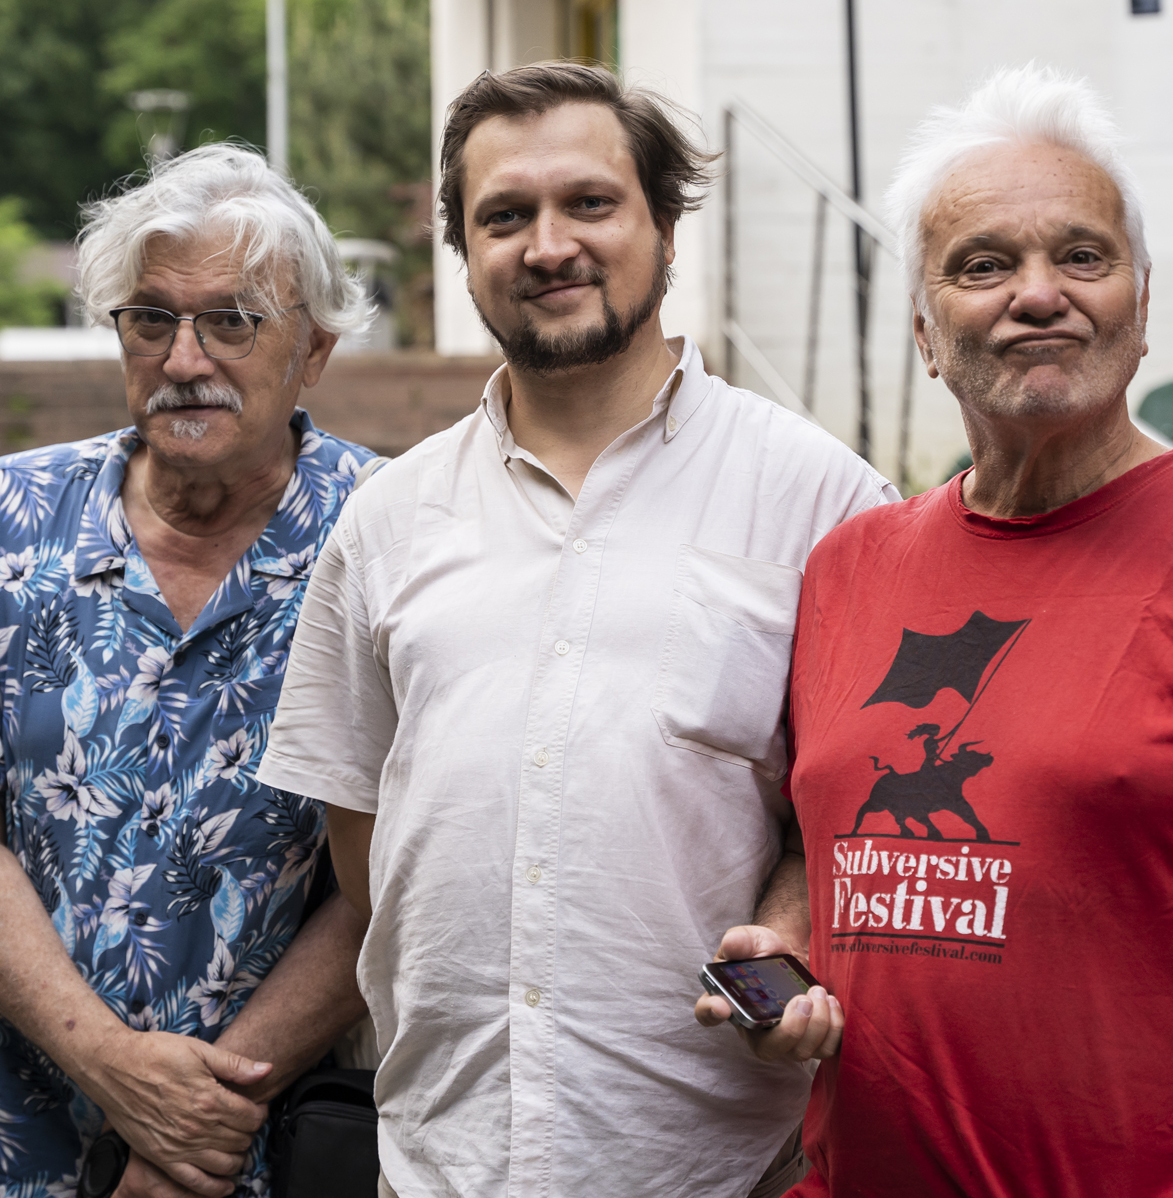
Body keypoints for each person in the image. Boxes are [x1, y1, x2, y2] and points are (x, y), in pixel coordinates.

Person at [696, 65, 1173, 1197]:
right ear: (923, 330)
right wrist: (783, 952)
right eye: (982, 265)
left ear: (1139, 307)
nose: (1038, 293)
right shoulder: (847, 567)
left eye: (1081, 255)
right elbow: (827, 840)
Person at [256, 61, 896, 1198]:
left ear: (665, 228)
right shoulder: (387, 518)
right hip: (441, 1160)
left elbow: (865, 804)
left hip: (716, 1166)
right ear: (463, 253)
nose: (548, 246)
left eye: (590, 203)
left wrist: (787, 930)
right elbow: (364, 830)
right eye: (504, 216)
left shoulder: (823, 500)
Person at [0, 144, 379, 1198]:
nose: (184, 358)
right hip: (33, 1145)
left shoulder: (390, 535)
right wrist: (114, 1069)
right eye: (151, 318)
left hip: (283, 1148)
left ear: (314, 349)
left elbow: (394, 875)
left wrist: (187, 1128)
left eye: (233, 321)